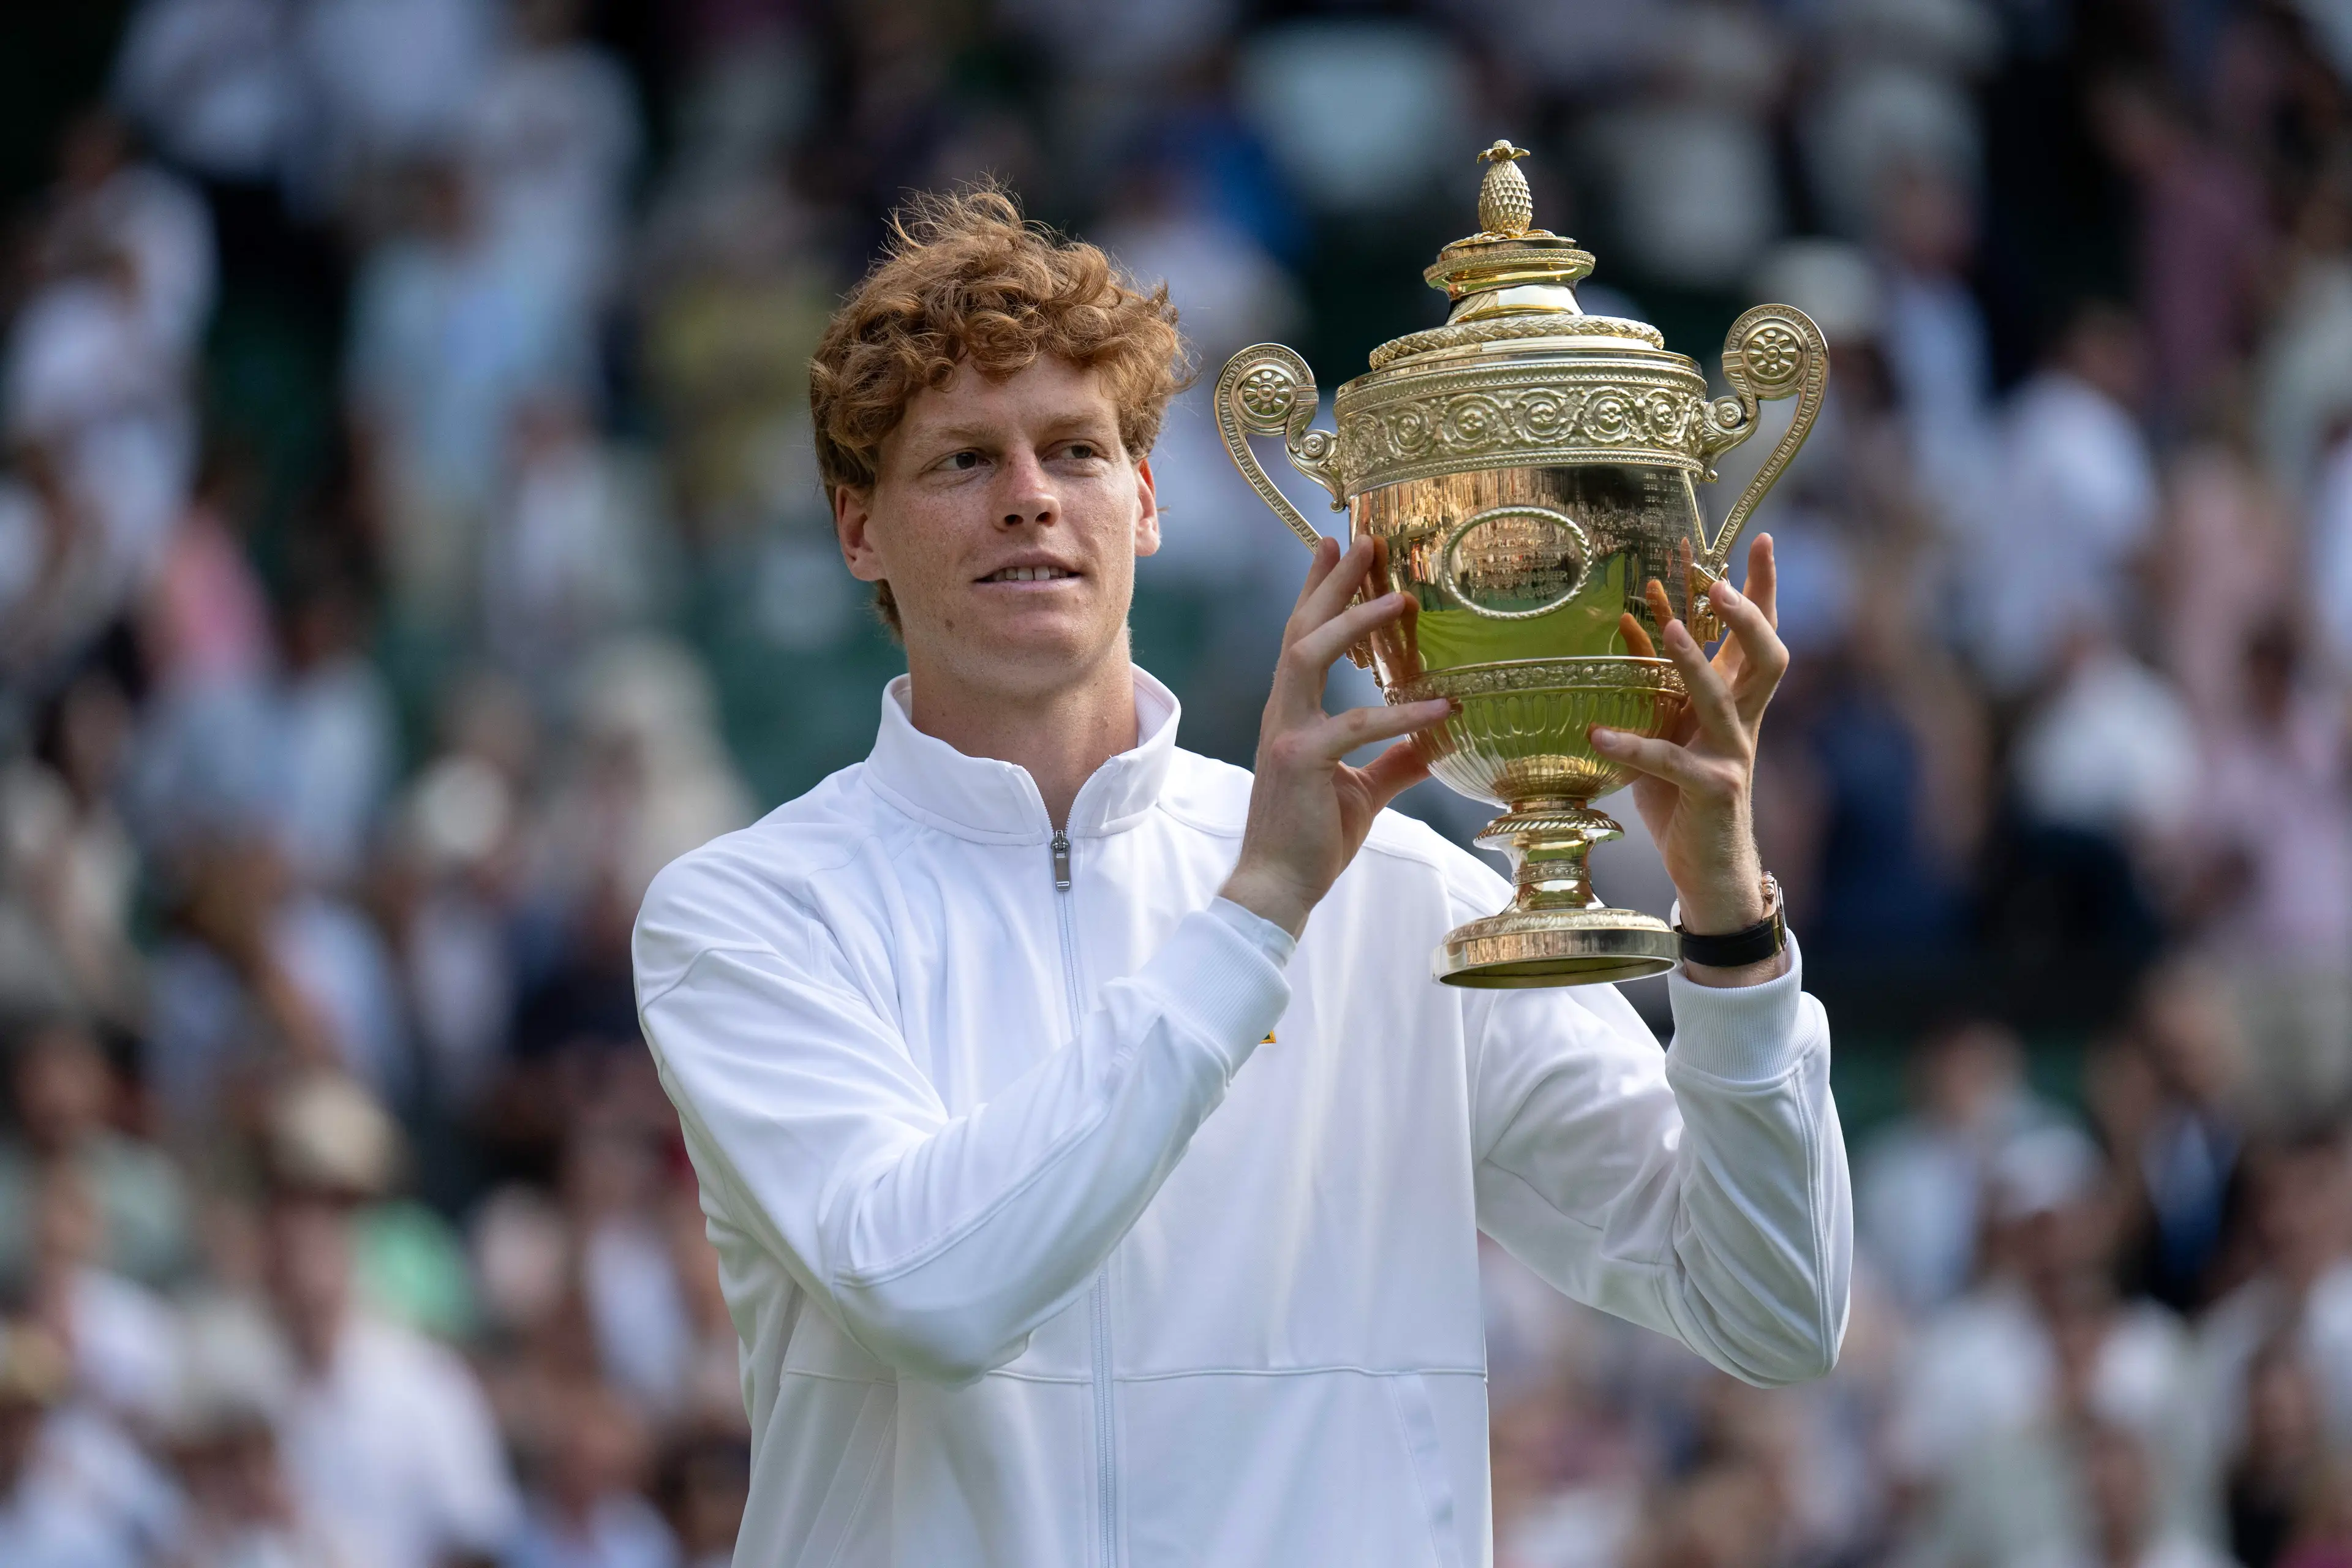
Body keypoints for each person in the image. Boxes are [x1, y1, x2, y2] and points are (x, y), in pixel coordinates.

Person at [631, 187, 1851, 1566]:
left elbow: (1776, 1309)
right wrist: (1256, 913)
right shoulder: (745, 911)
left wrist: (1732, 933)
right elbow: (933, 1293)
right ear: (860, 532)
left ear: (1143, 502)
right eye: (963, 461)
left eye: (1075, 449)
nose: (1030, 493)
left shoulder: (1400, 894)